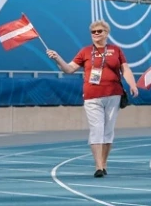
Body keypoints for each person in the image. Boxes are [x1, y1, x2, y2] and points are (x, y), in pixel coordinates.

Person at [46, 20, 138, 177]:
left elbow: (125, 69)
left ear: (106, 33)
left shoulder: (116, 50)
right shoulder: (85, 52)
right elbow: (69, 69)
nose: (96, 34)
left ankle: (104, 163)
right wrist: (57, 58)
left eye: (99, 31)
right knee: (96, 130)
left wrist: (132, 84)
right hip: (91, 96)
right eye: (93, 32)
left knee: (108, 131)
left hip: (113, 94)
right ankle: (98, 166)